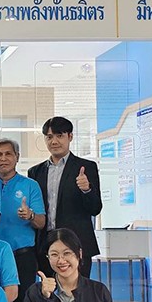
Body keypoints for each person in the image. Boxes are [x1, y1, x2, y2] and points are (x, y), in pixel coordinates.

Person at [0, 137, 47, 302]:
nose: (3, 158)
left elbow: (42, 222)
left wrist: (30, 215)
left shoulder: (30, 185)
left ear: (17, 157)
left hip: (22, 256)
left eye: (8, 154)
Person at [28, 117, 103, 278]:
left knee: (79, 291)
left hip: (77, 244)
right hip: (46, 246)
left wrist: (87, 190)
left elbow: (95, 208)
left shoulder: (86, 167)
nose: (54, 141)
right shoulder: (35, 172)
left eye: (59, 135)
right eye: (49, 137)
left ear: (70, 136)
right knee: (49, 291)